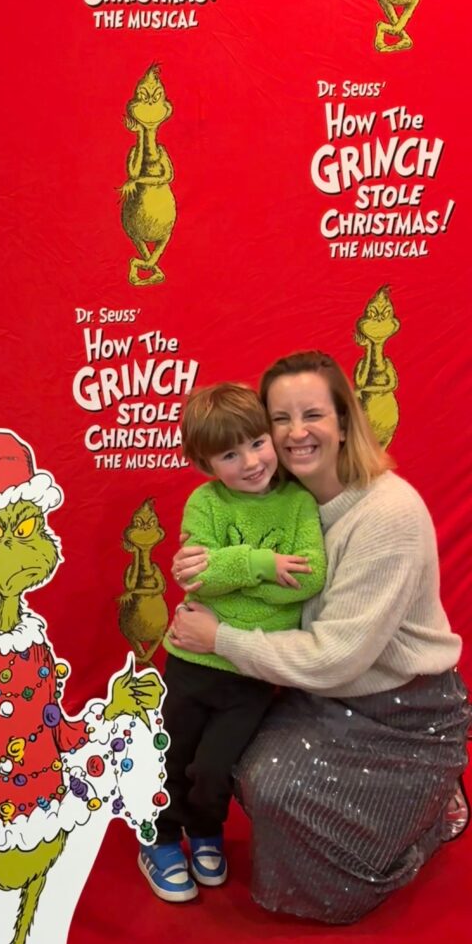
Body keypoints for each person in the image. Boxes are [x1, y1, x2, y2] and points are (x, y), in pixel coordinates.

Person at [168, 350, 471, 924]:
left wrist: (222, 636)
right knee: (238, 763)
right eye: (280, 418)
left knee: (282, 791)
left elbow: (335, 654)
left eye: (312, 414)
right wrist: (202, 565)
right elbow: (215, 568)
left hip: (402, 707)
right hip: (323, 692)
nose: (295, 432)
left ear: (344, 421)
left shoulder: (387, 514)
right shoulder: (284, 499)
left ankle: (427, 816)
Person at [139, 383, 327, 903]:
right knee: (173, 755)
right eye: (229, 454)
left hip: (251, 668)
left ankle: (204, 829)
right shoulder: (206, 502)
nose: (250, 462)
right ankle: (159, 836)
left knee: (218, 763)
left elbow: (309, 578)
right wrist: (264, 565)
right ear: (205, 464)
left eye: (257, 443)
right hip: (193, 660)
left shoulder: (297, 501)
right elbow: (198, 579)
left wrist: (227, 570)